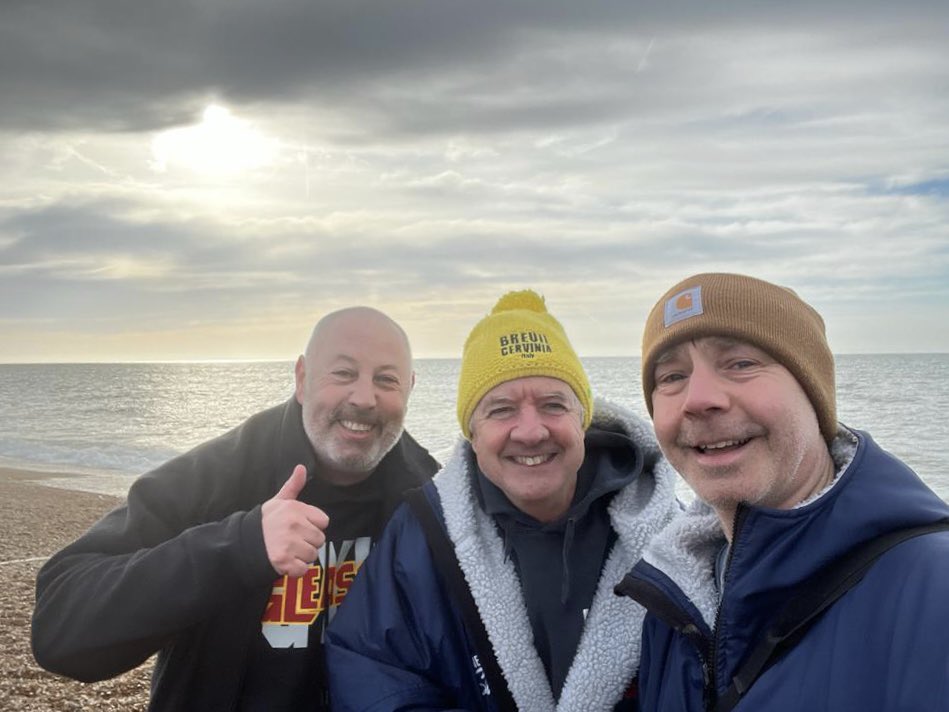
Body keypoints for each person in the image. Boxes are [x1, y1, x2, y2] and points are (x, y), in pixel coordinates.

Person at [31, 307, 439, 712]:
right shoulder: (216, 478)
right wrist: (239, 546)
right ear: (302, 379)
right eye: (344, 373)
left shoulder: (431, 501)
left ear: (410, 389)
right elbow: (59, 630)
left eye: (386, 379)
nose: (364, 398)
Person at [325, 290, 679, 711]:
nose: (530, 432)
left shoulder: (665, 534)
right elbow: (372, 674)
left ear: (582, 418)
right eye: (501, 410)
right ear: (472, 434)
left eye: (553, 405)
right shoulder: (422, 538)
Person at [616, 272, 949, 711]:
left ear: (813, 393)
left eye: (740, 364)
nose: (697, 399)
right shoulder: (673, 601)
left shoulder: (933, 590)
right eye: (672, 376)